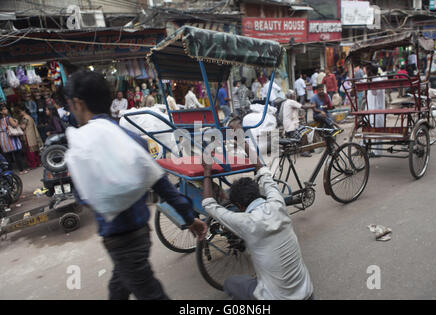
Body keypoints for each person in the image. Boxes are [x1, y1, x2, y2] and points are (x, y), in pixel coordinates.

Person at [64, 70, 207, 300]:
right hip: (140, 235)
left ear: (78, 103)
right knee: (118, 289)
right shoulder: (131, 139)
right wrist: (189, 219)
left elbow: (83, 198)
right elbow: (164, 187)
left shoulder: (83, 147)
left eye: (70, 105)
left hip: (121, 241)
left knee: (149, 293)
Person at [201, 139, 314, 300]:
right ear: (257, 192)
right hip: (308, 293)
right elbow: (264, 173)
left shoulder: (245, 222)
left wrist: (207, 171)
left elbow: (208, 204)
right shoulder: (277, 203)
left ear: (240, 206)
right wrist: (245, 144)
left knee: (231, 283)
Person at [280, 90, 311, 157]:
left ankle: (303, 148)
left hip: (288, 125)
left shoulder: (285, 102)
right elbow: (303, 107)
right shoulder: (291, 101)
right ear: (292, 96)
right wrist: (313, 106)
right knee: (304, 133)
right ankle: (304, 151)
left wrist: (298, 117)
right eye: (294, 94)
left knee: (303, 129)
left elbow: (289, 114)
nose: (295, 96)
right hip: (291, 126)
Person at [0, 105, 28, 174]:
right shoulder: (8, 118)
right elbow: (15, 125)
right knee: (17, 154)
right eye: (4, 109)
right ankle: (21, 170)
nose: (6, 110)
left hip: (3, 138)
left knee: (8, 157)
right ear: (1, 112)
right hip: (11, 138)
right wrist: (16, 121)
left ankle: (9, 172)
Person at [366, 63, 385, 156]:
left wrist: (368, 82)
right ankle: (370, 148)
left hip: (377, 109)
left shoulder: (377, 80)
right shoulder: (374, 79)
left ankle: (377, 151)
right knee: (370, 129)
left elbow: (374, 93)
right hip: (371, 109)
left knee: (377, 130)